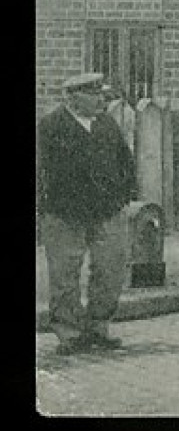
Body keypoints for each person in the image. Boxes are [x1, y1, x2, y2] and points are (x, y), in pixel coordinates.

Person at [37, 72, 138, 353]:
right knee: (65, 274)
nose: (101, 100)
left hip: (107, 210)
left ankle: (98, 328)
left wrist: (126, 193)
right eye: (93, 95)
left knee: (111, 268)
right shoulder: (50, 126)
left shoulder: (106, 124)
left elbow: (125, 160)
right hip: (64, 213)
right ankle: (70, 334)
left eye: (102, 94)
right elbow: (41, 172)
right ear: (71, 98)